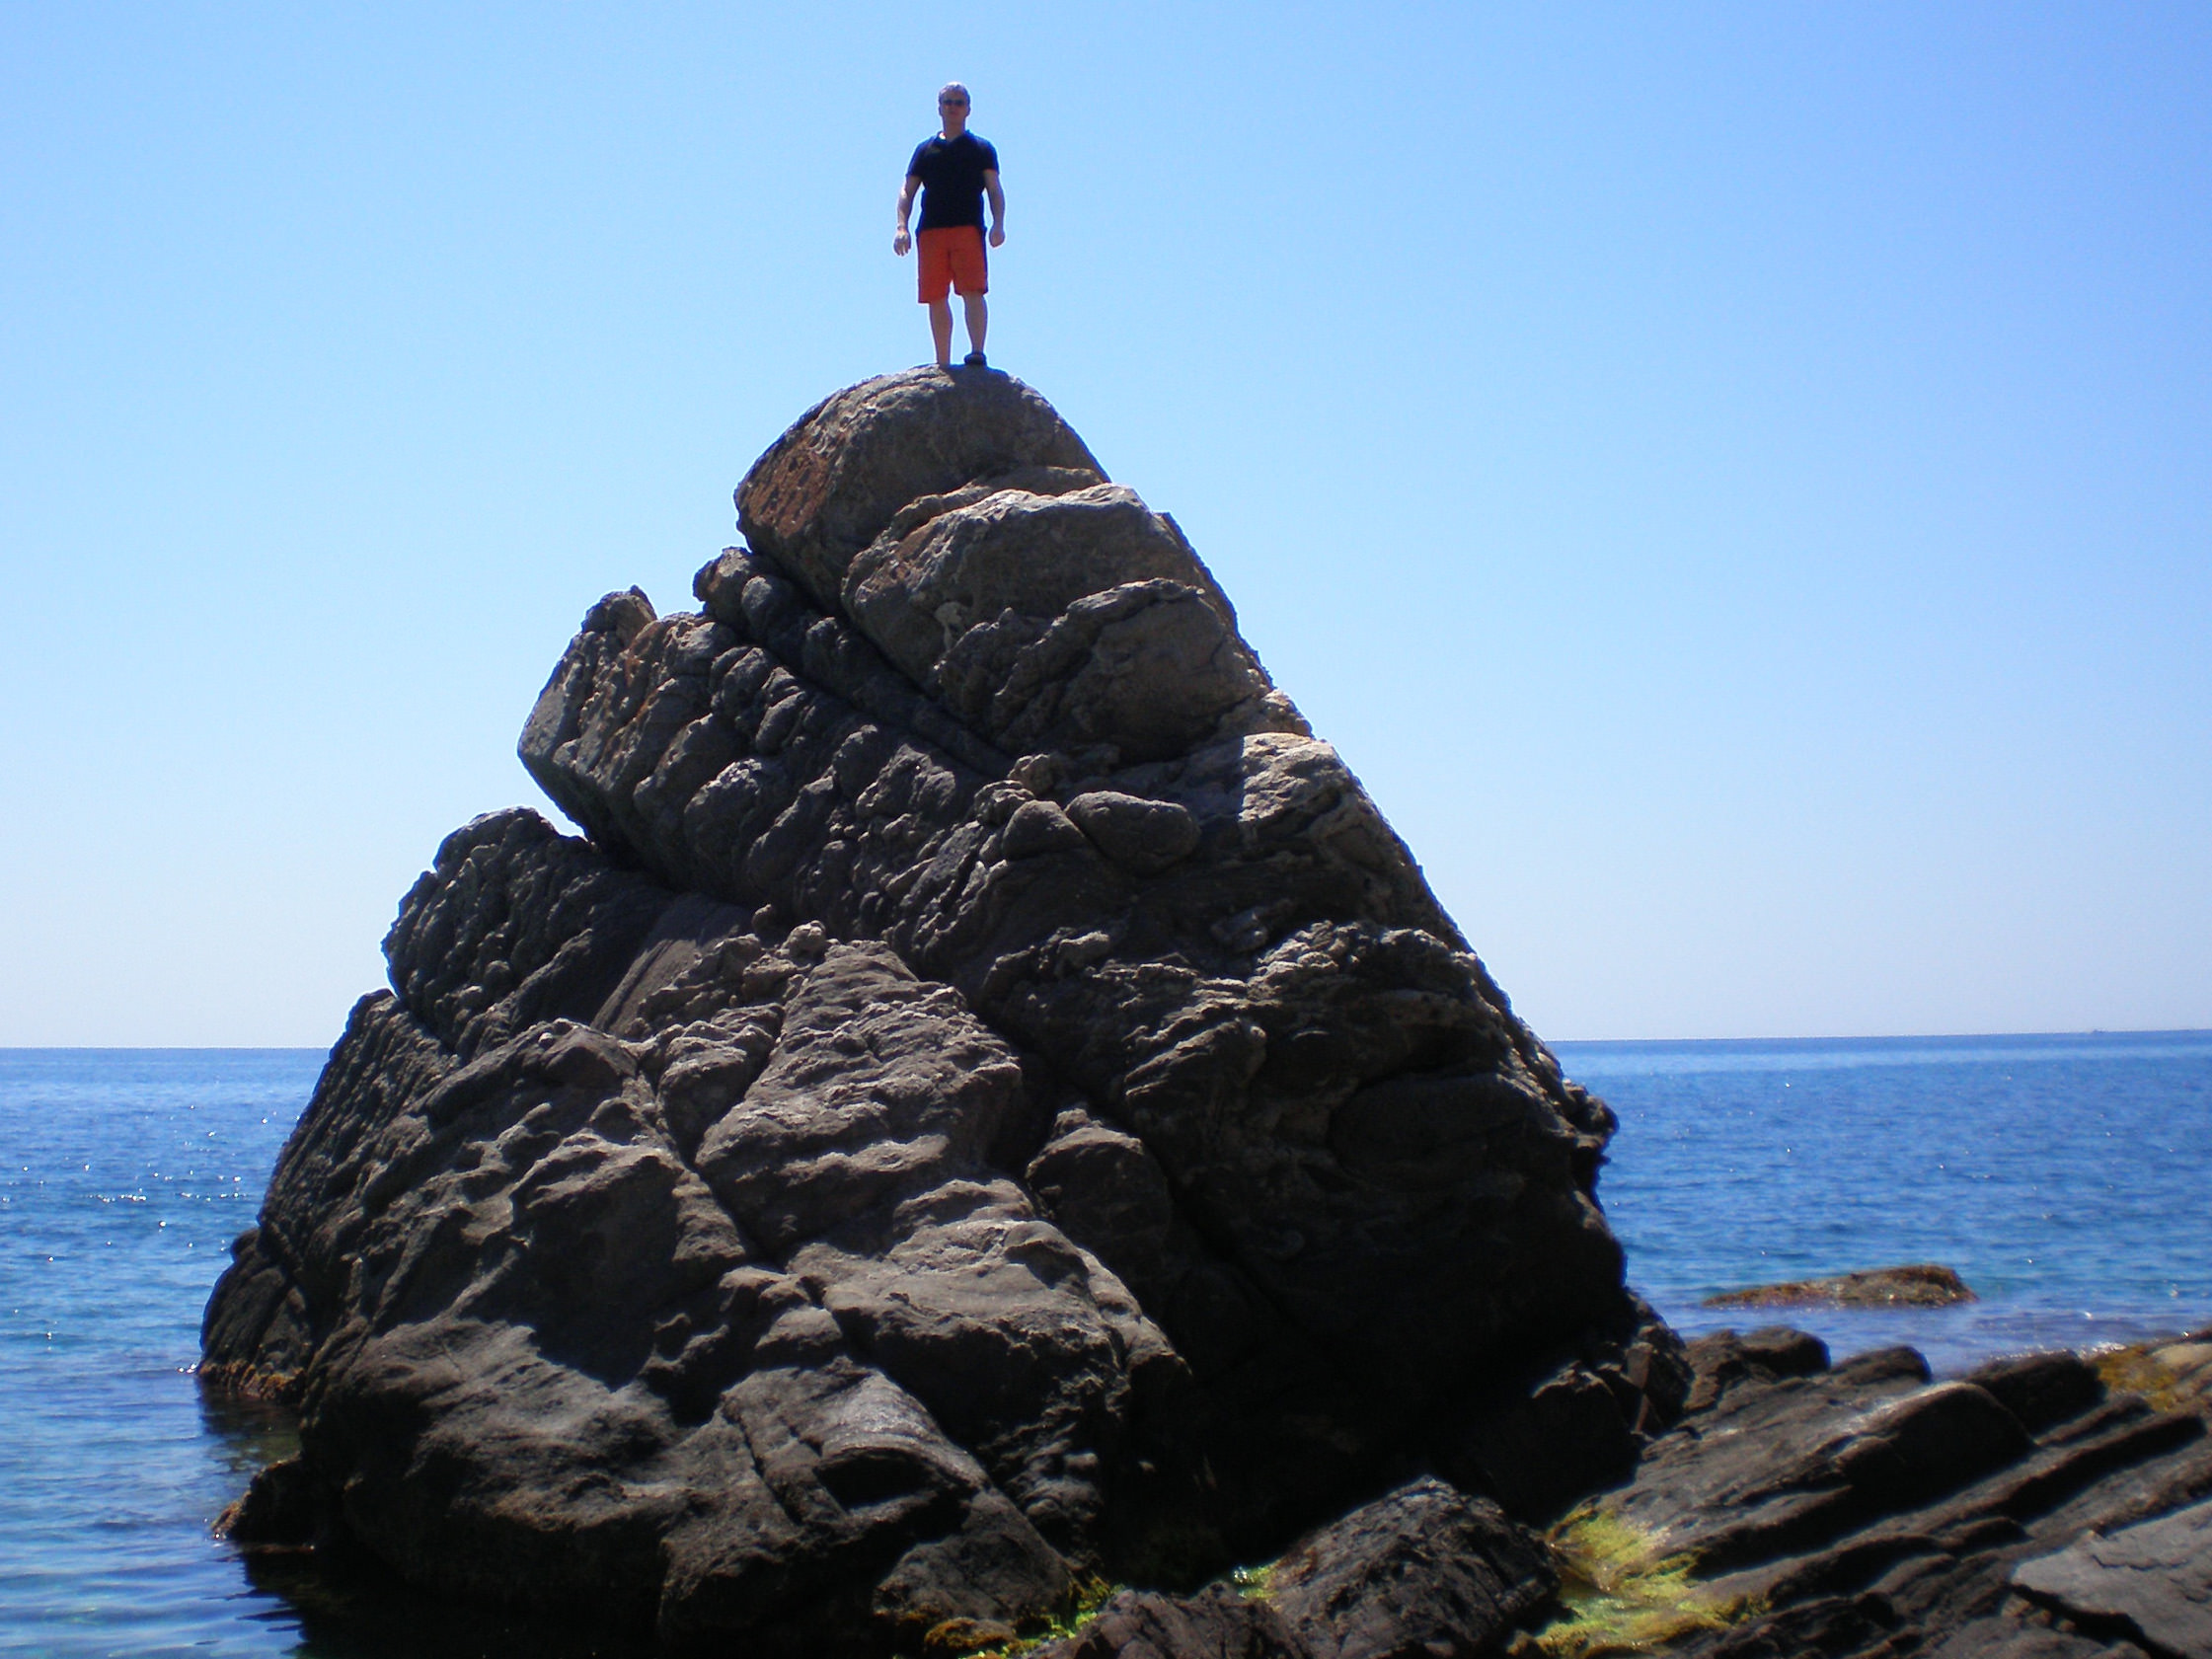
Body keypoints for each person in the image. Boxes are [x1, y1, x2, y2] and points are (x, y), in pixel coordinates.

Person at [893, 83, 1005, 369]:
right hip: (931, 230)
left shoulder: (981, 149)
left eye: (958, 102)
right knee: (935, 295)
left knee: (973, 290)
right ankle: (942, 362)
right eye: (948, 102)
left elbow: (994, 189)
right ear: (939, 108)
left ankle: (977, 352)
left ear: (968, 109)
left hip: (968, 228)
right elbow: (908, 190)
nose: (953, 107)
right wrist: (901, 226)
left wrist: (998, 224)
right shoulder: (925, 150)